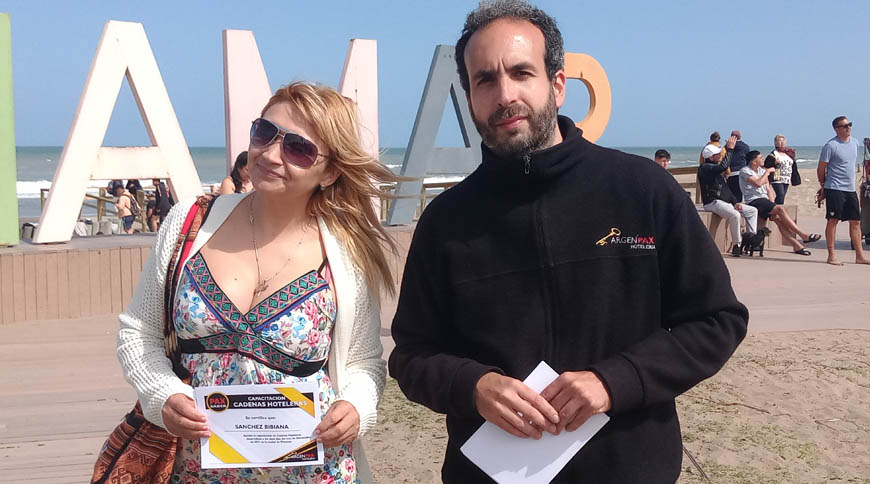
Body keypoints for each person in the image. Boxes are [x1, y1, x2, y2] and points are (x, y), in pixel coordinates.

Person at [388, 2, 749, 483]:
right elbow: (412, 355)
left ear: (557, 85)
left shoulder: (642, 190)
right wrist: (475, 386)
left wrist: (613, 381)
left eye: (521, 73)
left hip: (631, 468)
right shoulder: (446, 221)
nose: (505, 95)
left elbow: (717, 320)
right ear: (470, 96)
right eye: (485, 80)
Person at [116, 82, 395, 482]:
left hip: (312, 471)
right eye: (265, 132)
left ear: (330, 171)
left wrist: (356, 407)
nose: (270, 153)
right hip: (196, 470)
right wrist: (162, 394)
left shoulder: (346, 251)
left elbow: (364, 362)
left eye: (298, 148)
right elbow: (138, 332)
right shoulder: (190, 222)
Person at [739, 150, 819, 255]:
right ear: (754, 161)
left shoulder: (761, 171)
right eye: (760, 158)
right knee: (781, 209)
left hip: (764, 201)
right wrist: (767, 172)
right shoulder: (745, 171)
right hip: (753, 200)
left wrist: (773, 205)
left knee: (777, 218)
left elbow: (768, 189)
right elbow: (758, 183)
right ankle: (803, 235)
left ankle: (797, 245)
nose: (763, 159)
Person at [817, 116, 870, 265]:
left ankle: (860, 256)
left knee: (855, 221)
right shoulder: (830, 146)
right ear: (837, 129)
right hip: (834, 187)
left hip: (850, 188)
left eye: (849, 124)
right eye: (845, 126)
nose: (848, 128)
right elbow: (821, 168)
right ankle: (831, 255)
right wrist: (823, 185)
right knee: (833, 220)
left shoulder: (855, 143)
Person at [699, 137, 758, 257]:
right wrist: (730, 149)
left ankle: (751, 241)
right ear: (711, 157)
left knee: (752, 211)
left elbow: (726, 190)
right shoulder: (705, 168)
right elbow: (723, 167)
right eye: (718, 154)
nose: (720, 155)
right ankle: (737, 245)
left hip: (725, 202)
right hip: (712, 202)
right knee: (735, 215)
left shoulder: (715, 170)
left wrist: (735, 202)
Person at [765, 134, 796, 204]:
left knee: (782, 196)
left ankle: (775, 207)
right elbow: (766, 164)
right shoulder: (774, 154)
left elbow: (793, 165)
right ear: (776, 143)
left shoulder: (789, 153)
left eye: (783, 141)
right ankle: (778, 209)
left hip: (787, 177)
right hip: (777, 176)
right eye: (779, 141)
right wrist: (774, 162)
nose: (782, 142)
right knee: (780, 194)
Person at [725, 130, 751, 202]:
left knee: (730, 192)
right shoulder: (745, 147)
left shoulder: (727, 146)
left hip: (730, 172)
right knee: (739, 192)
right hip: (740, 171)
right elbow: (748, 159)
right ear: (740, 137)